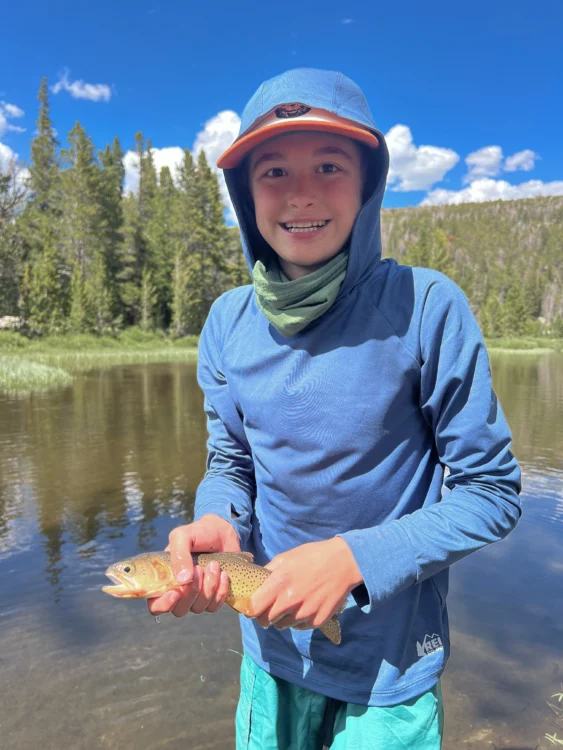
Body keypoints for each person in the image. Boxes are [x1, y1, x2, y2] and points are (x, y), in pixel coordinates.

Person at [148, 68, 522, 749]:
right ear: (242, 191)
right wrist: (215, 517)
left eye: (328, 165)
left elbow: (491, 493)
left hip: (392, 668)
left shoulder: (426, 306)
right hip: (270, 653)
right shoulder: (226, 322)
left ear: (368, 183)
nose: (300, 195)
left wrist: (353, 561)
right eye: (272, 172)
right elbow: (230, 463)